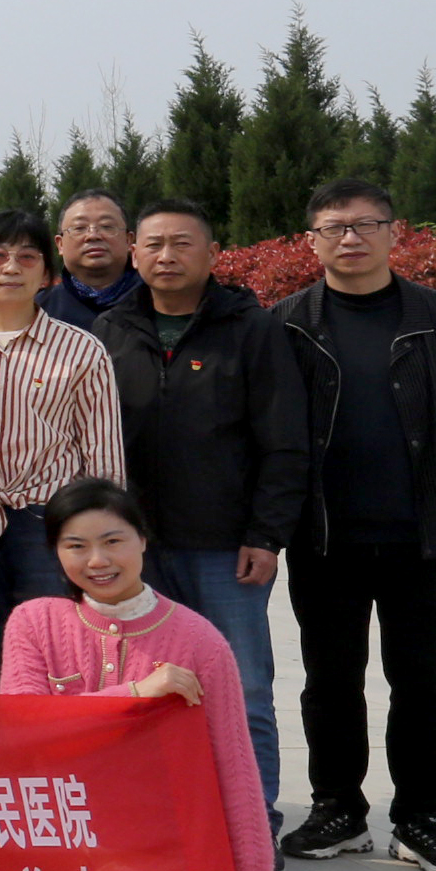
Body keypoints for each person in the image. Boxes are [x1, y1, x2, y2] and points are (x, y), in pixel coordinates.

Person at [273, 179, 436, 871]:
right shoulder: (286, 325)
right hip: (326, 540)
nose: (351, 237)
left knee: (424, 683)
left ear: (396, 234)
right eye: (334, 226)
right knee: (330, 681)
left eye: (367, 224)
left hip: (424, 540)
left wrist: (434, 492)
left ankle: (421, 818)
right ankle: (337, 807)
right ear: (310, 239)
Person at [0, 480, 279, 871]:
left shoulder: (201, 642)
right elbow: (22, 732)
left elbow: (234, 774)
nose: (97, 561)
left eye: (113, 541)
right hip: (51, 850)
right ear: (55, 553)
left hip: (154, 859)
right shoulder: (33, 622)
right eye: (75, 546)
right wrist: (133, 696)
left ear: (143, 540)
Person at [96, 197, 305, 829]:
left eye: (182, 244)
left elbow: (284, 439)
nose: (166, 256)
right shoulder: (111, 330)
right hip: (136, 551)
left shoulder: (251, 327)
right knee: (143, 685)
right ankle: (158, 819)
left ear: (212, 254)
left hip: (224, 548)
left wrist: (266, 534)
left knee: (244, 689)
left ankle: (252, 823)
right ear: (134, 253)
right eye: (154, 244)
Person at [0, 206, 125, 689]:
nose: (11, 267)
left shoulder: (82, 350)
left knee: (60, 657)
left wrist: (99, 535)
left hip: (49, 524)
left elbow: (104, 458)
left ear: (47, 273)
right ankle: (6, 761)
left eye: (26, 257)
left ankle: (61, 761)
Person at [42, 190, 144, 328]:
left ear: (128, 240)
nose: (93, 235)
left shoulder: (158, 301)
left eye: (107, 227)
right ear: (60, 244)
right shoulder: (38, 310)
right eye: (79, 228)